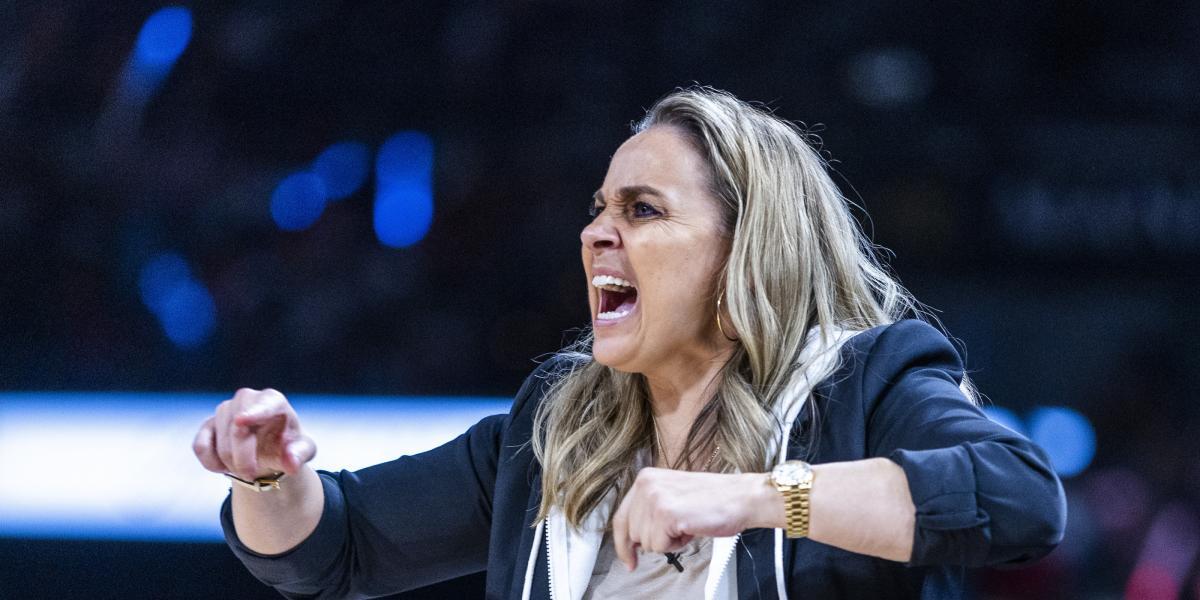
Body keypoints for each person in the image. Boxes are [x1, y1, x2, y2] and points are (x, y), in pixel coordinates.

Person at [193, 87, 1066, 599]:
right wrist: (268, 475)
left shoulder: (864, 385)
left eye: (641, 210)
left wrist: (758, 498)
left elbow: (1022, 499)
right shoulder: (556, 434)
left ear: (747, 248)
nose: (596, 234)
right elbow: (329, 550)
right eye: (598, 209)